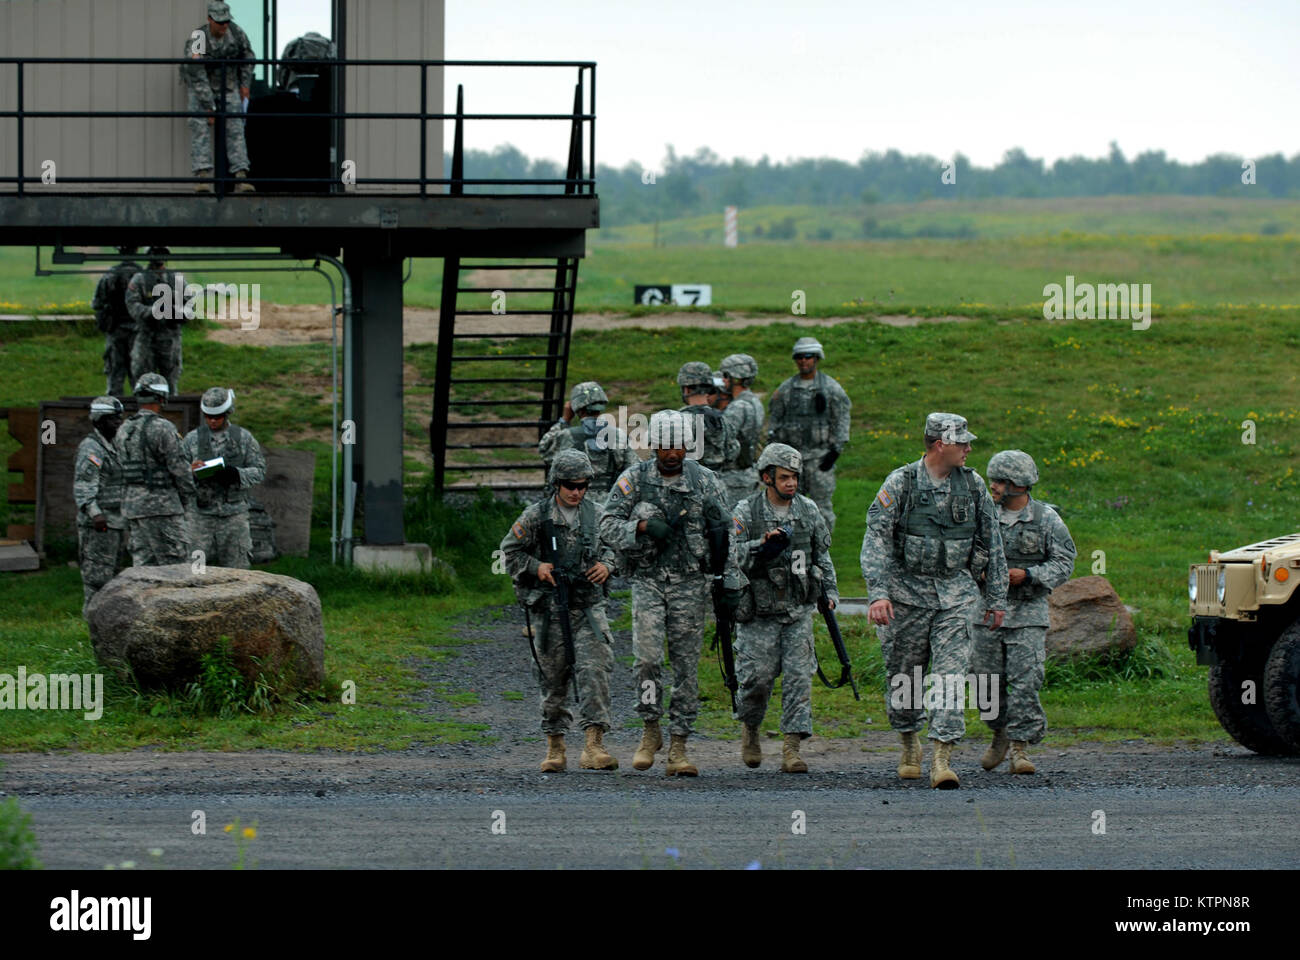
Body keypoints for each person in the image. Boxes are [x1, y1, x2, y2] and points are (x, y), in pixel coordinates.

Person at [860, 412, 1008, 789]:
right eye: (962, 442)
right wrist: (878, 594)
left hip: (956, 597)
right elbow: (875, 538)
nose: (969, 449)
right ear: (941, 444)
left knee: (950, 677)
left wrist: (995, 598)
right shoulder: (902, 482)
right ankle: (910, 741)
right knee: (905, 677)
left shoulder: (972, 486)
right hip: (906, 596)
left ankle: (942, 756)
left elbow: (992, 542)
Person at [599, 410, 737, 776]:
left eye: (678, 446)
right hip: (647, 581)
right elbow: (607, 525)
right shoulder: (634, 479)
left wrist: (729, 582)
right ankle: (650, 729)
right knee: (646, 660)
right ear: (653, 446)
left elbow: (728, 532)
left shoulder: (705, 481)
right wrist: (641, 527)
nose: (672, 454)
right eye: (664, 447)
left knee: (686, 667)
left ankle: (679, 744)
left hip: (691, 583)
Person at [500, 449, 622, 772]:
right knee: (551, 677)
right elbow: (508, 552)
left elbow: (619, 548)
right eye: (569, 485)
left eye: (582, 485)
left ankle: (594, 745)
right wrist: (537, 566)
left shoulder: (598, 515)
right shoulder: (536, 516)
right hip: (551, 609)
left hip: (588, 608)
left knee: (595, 670)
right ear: (557, 483)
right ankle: (555, 746)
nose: (576, 492)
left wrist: (607, 566)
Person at [730, 443, 837, 773]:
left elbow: (822, 554)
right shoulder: (746, 512)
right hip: (758, 614)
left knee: (798, 681)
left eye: (795, 477)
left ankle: (792, 748)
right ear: (767, 478)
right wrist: (760, 547)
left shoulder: (808, 511)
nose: (791, 483)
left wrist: (829, 590)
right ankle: (750, 730)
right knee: (756, 681)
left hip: (797, 611)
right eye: (785, 477)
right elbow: (729, 557)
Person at [970, 450, 1076, 775]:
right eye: (993, 480)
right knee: (985, 682)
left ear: (1020, 484)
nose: (994, 487)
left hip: (1028, 612)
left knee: (1026, 680)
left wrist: (1029, 575)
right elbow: (964, 553)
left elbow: (1064, 561)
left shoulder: (1046, 519)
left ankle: (1020, 747)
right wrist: (982, 571)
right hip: (987, 612)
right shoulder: (982, 516)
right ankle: (998, 733)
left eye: (1001, 481)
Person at [766, 337, 850, 534]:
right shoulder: (786, 390)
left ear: (817, 358)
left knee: (822, 507)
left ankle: (821, 546)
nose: (804, 361)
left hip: (820, 459)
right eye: (799, 357)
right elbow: (775, 420)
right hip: (792, 460)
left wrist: (835, 451)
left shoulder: (831, 388)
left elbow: (842, 419)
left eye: (808, 357)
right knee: (788, 504)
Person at [180, 387, 267, 569]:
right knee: (195, 569)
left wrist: (236, 474)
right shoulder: (191, 440)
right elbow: (178, 474)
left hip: (234, 515)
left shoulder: (244, 438)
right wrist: (191, 472)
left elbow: (259, 470)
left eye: (218, 416)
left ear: (228, 413)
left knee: (237, 569)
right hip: (200, 516)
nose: (212, 421)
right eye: (208, 416)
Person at [115, 374, 197, 566]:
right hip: (162, 507)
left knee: (143, 567)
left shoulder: (124, 429)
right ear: (162, 398)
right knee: (175, 565)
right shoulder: (163, 428)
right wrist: (189, 495)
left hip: (133, 508)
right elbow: (179, 470)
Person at [180, 0, 255, 193]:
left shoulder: (236, 33)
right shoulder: (199, 37)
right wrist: (209, 106)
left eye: (226, 22)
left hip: (228, 84)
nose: (224, 26)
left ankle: (241, 177)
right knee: (199, 126)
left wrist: (245, 84)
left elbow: (248, 57)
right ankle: (203, 177)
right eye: (220, 22)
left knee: (235, 126)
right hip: (202, 86)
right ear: (209, 20)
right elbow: (195, 72)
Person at [537, 381, 636, 506]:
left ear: (576, 408)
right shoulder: (618, 435)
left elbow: (545, 450)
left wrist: (564, 420)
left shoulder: (567, 435)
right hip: (610, 503)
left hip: (574, 501)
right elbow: (633, 468)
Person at [73, 397, 128, 615]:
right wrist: (95, 513)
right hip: (99, 525)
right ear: (99, 421)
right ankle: (91, 622)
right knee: (96, 578)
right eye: (112, 420)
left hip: (116, 522)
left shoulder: (115, 445)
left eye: (119, 419)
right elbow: (83, 485)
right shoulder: (91, 448)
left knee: (113, 577)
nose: (118, 423)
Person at [126, 247, 187, 395]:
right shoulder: (140, 279)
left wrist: (174, 309)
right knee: (143, 379)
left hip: (169, 337)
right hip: (146, 336)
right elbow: (132, 306)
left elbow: (189, 308)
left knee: (171, 381)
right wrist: (153, 310)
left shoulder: (176, 279)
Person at [92, 247, 143, 395]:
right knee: (138, 374)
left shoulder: (110, 275)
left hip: (115, 329)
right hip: (138, 330)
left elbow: (97, 303)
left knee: (115, 374)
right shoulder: (143, 274)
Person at [718, 353, 764, 506]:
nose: (723, 380)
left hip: (734, 477)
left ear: (736, 378)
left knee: (734, 524)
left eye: (726, 375)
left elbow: (721, 438)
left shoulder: (737, 407)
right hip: (749, 472)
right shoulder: (754, 401)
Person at [677, 361, 738, 473]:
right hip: (717, 484)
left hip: (687, 484)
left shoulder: (677, 421)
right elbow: (732, 453)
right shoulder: (723, 419)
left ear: (686, 389)